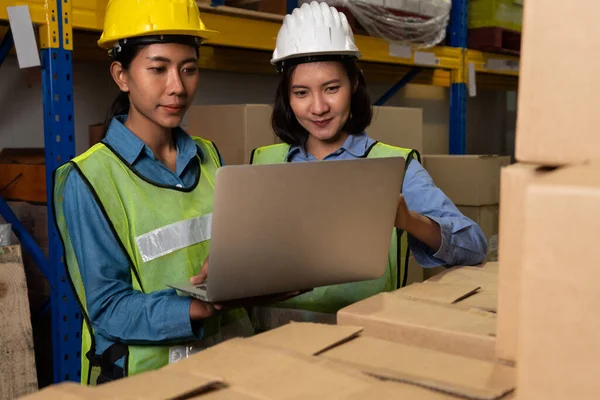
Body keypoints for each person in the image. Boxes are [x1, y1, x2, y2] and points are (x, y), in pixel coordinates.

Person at [249, 1, 488, 328]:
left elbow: (474, 246)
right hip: (270, 346)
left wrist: (410, 220)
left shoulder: (393, 166)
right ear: (287, 98)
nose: (318, 107)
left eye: (332, 88)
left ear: (354, 84)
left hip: (362, 342)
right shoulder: (264, 163)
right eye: (302, 92)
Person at [52, 0, 253, 385]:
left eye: (189, 69)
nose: (177, 87)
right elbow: (108, 308)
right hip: (146, 383)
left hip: (232, 371)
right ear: (121, 75)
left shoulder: (209, 156)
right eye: (158, 69)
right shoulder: (89, 178)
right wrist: (193, 309)